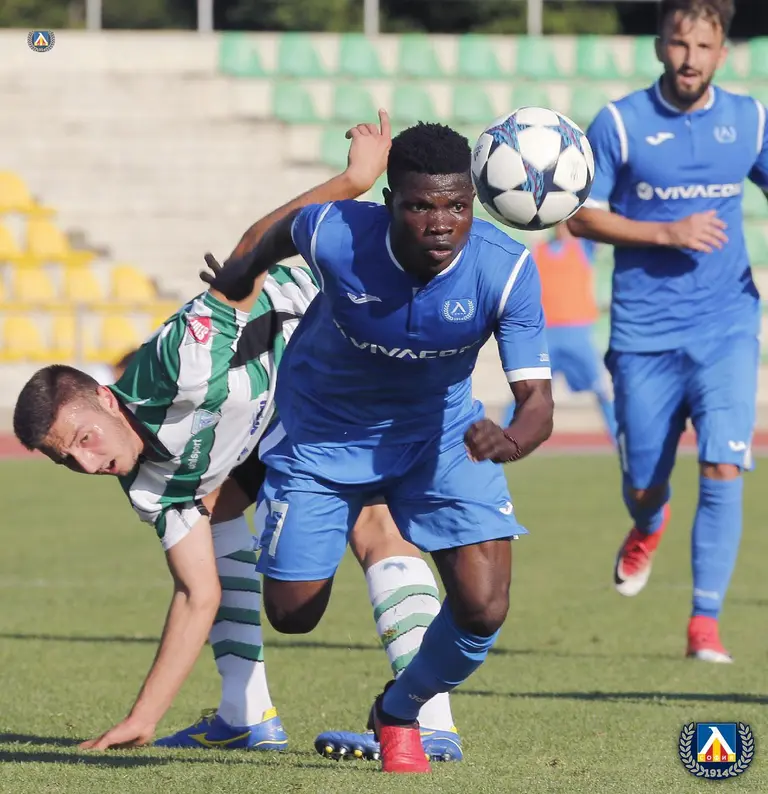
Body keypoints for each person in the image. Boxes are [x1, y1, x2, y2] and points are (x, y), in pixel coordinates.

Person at [11, 116, 462, 759]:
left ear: (107, 399)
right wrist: (143, 717)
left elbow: (251, 248)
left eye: (84, 437)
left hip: (340, 338)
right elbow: (197, 593)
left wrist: (354, 180)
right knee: (212, 509)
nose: (88, 462)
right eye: (67, 460)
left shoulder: (180, 361)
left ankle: (429, 719)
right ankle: (245, 714)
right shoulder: (147, 485)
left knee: (373, 523)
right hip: (281, 410)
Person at [200, 120, 554, 773]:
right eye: (420, 206)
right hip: (322, 434)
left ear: (474, 202)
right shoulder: (335, 232)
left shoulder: (504, 270)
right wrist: (237, 285)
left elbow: (538, 403)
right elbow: (266, 239)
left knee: (484, 608)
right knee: (293, 614)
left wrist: (509, 440)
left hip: (440, 437)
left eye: (457, 206)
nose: (441, 224)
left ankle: (400, 709)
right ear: (390, 202)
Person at [567, 0, 766, 663]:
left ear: (723, 53)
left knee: (723, 463)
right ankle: (649, 522)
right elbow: (580, 217)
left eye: (704, 47)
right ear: (659, 46)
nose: (690, 59)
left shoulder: (750, 120)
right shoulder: (619, 124)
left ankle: (704, 623)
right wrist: (666, 232)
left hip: (727, 326)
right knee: (644, 486)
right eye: (679, 44)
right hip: (644, 335)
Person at [503, 222, 617, 443]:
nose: (564, 230)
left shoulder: (583, 248)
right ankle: (505, 437)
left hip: (578, 333)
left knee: (601, 390)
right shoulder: (537, 250)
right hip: (545, 335)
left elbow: (600, 232)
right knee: (526, 388)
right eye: (561, 225)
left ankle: (620, 440)